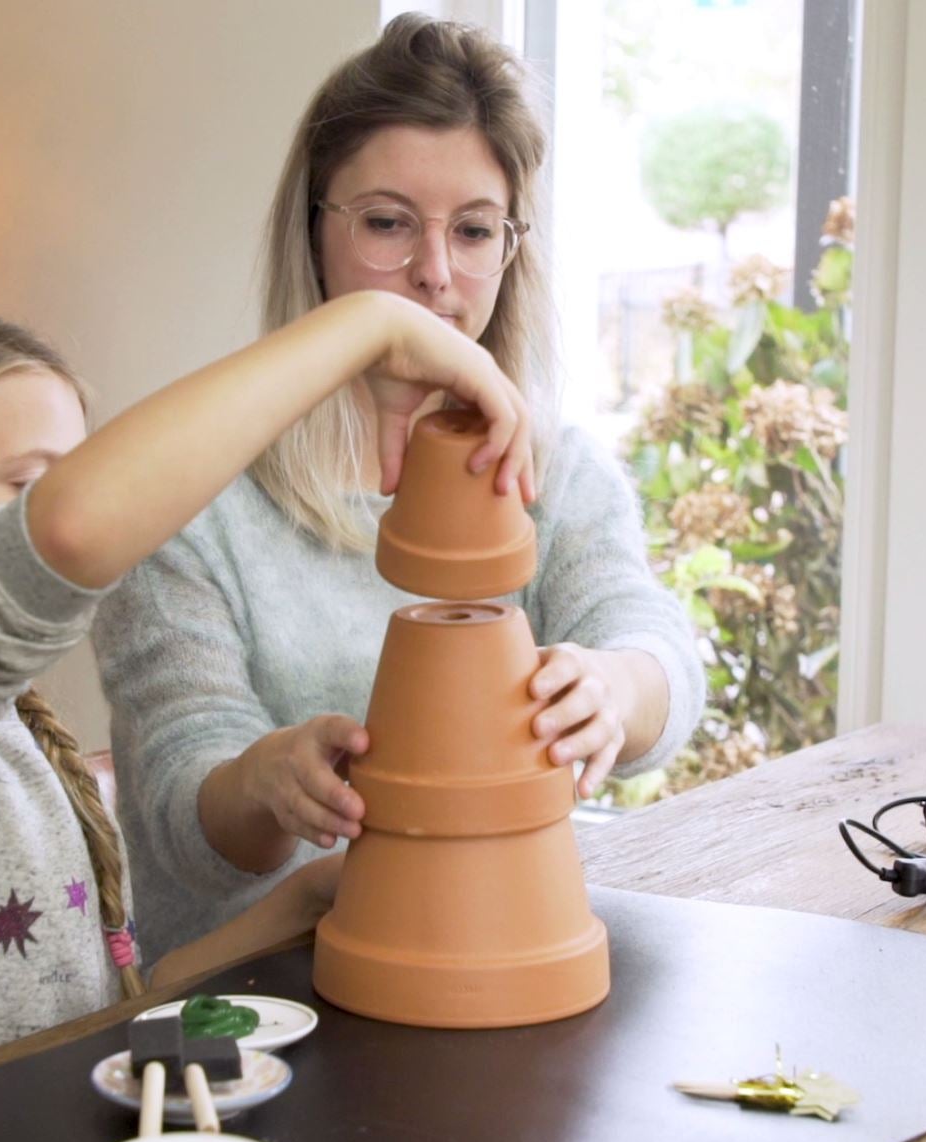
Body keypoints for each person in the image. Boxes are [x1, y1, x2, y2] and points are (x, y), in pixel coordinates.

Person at [93, 14, 707, 967]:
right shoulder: (196, 501)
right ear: (313, 233)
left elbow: (653, 643)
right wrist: (267, 782)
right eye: (386, 223)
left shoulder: (555, 469)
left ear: (513, 246)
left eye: (472, 231)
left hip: (498, 958)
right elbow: (187, 812)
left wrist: (614, 688)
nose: (433, 274)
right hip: (258, 1013)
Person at [0, 297, 530, 1100]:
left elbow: (96, 1015)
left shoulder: (14, 740)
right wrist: (373, 325)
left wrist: (307, 900)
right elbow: (69, 533)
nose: (96, 512)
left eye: (74, 473)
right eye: (31, 485)